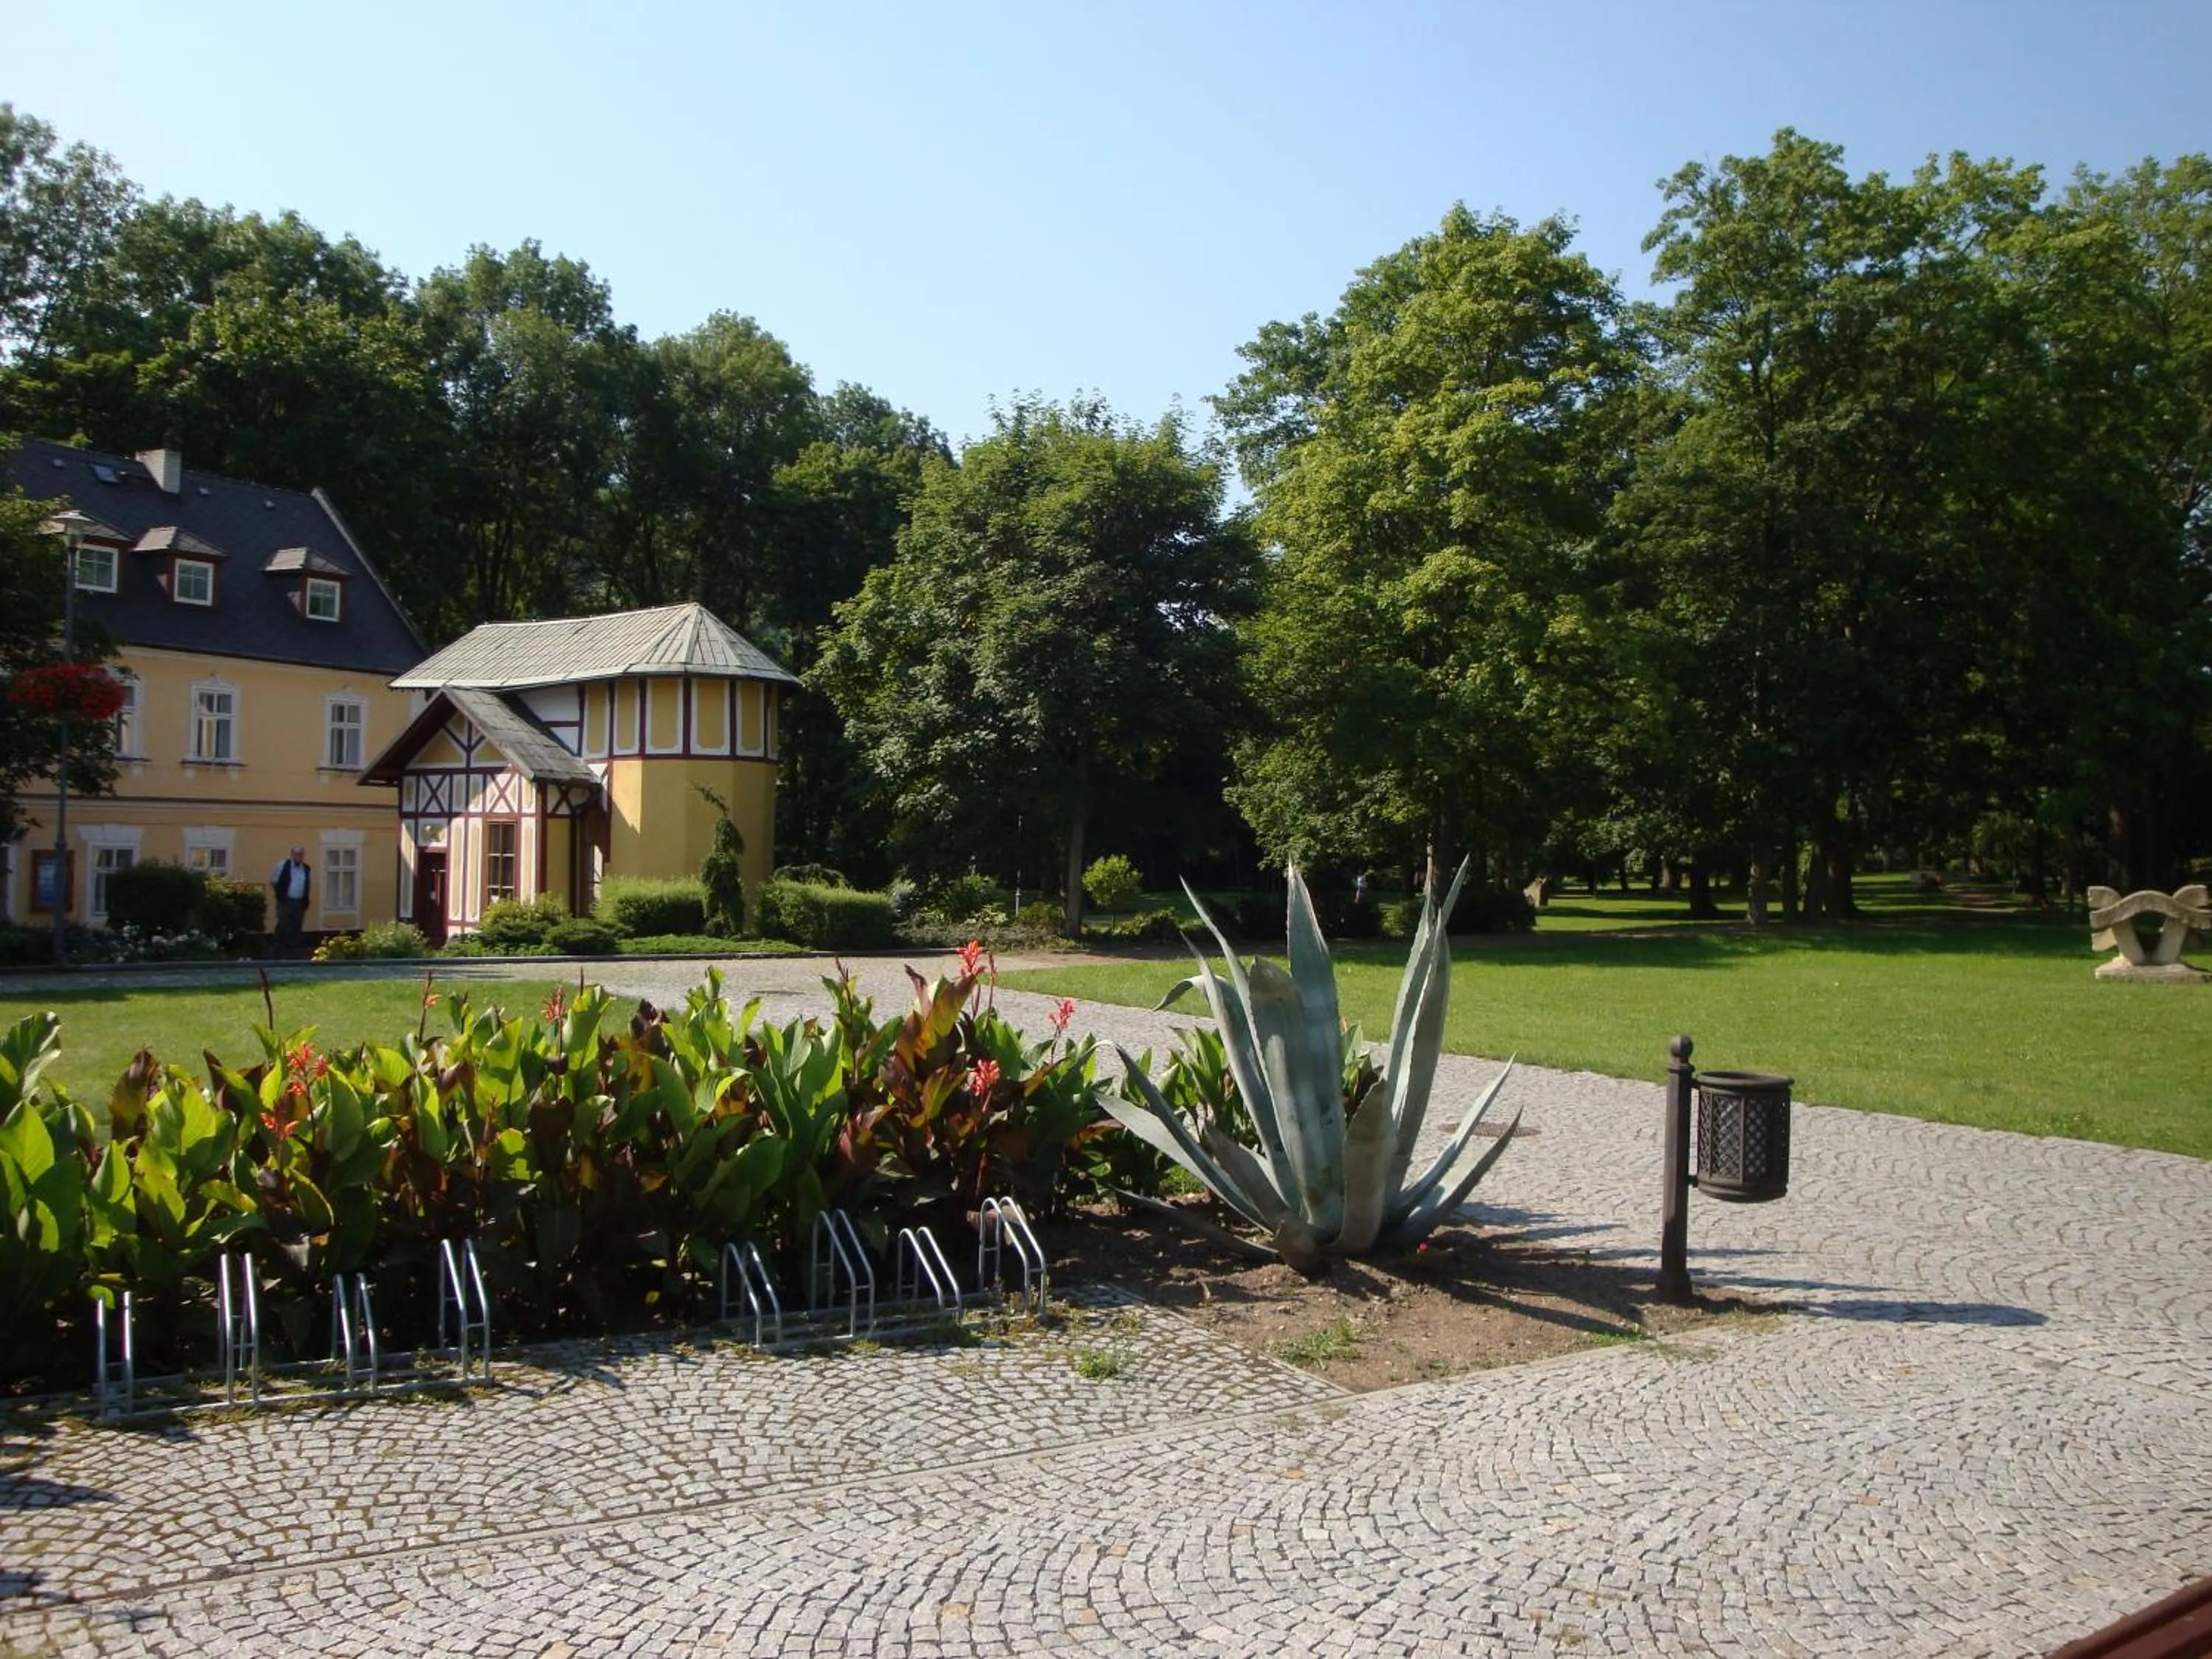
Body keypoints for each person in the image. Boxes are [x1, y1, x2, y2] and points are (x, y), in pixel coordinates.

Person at [271, 845, 312, 957]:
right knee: (284, 925)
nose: (299, 857)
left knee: (296, 926)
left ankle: (293, 952)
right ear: (292, 855)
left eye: (301, 855)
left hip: (299, 902)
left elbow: (307, 885)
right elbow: (274, 881)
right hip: (285, 901)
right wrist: (281, 896)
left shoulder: (306, 868)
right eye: (297, 854)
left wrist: (305, 900)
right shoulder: (283, 865)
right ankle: (277, 950)